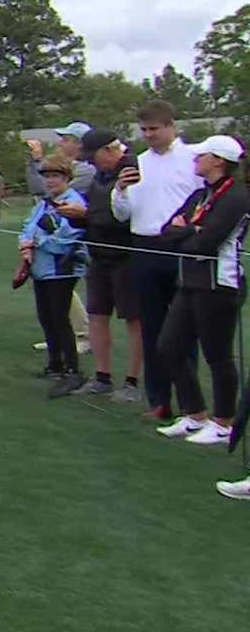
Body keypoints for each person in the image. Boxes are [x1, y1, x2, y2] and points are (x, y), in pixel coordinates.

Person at [153, 136, 250, 444]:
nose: (195, 161)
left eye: (201, 156)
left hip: (219, 284)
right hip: (191, 281)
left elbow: (206, 244)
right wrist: (189, 231)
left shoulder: (236, 197)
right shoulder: (200, 194)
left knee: (217, 355)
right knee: (169, 347)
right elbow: (167, 232)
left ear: (218, 161)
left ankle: (223, 422)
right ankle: (195, 415)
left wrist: (189, 233)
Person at [112, 100, 204, 420]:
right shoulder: (137, 163)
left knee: (184, 328)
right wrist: (120, 191)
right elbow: (122, 214)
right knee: (151, 326)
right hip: (144, 247)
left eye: (155, 129)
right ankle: (159, 401)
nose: (149, 135)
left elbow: (207, 202)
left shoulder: (194, 160)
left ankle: (192, 406)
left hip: (180, 247)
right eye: (144, 130)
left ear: (171, 127)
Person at [72, 129, 144, 401]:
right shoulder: (99, 177)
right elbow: (97, 212)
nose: (92, 163)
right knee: (98, 314)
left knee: (134, 319)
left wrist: (87, 215)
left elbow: (123, 216)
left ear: (108, 150)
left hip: (127, 255)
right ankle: (102, 377)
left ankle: (132, 381)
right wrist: (80, 218)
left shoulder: (132, 170)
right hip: (99, 254)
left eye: (94, 157)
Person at [19, 154, 89, 397]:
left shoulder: (73, 203)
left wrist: (36, 242)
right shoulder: (44, 203)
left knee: (60, 319)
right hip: (41, 269)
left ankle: (72, 369)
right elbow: (28, 226)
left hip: (61, 269)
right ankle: (55, 363)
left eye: (56, 176)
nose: (50, 181)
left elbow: (66, 240)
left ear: (67, 178)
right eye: (47, 176)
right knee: (46, 317)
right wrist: (25, 244)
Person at [27, 123, 96, 195]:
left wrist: (37, 160)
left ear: (80, 144)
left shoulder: (86, 170)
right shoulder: (65, 163)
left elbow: (46, 191)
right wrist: (33, 161)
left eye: (65, 140)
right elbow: (35, 189)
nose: (60, 143)